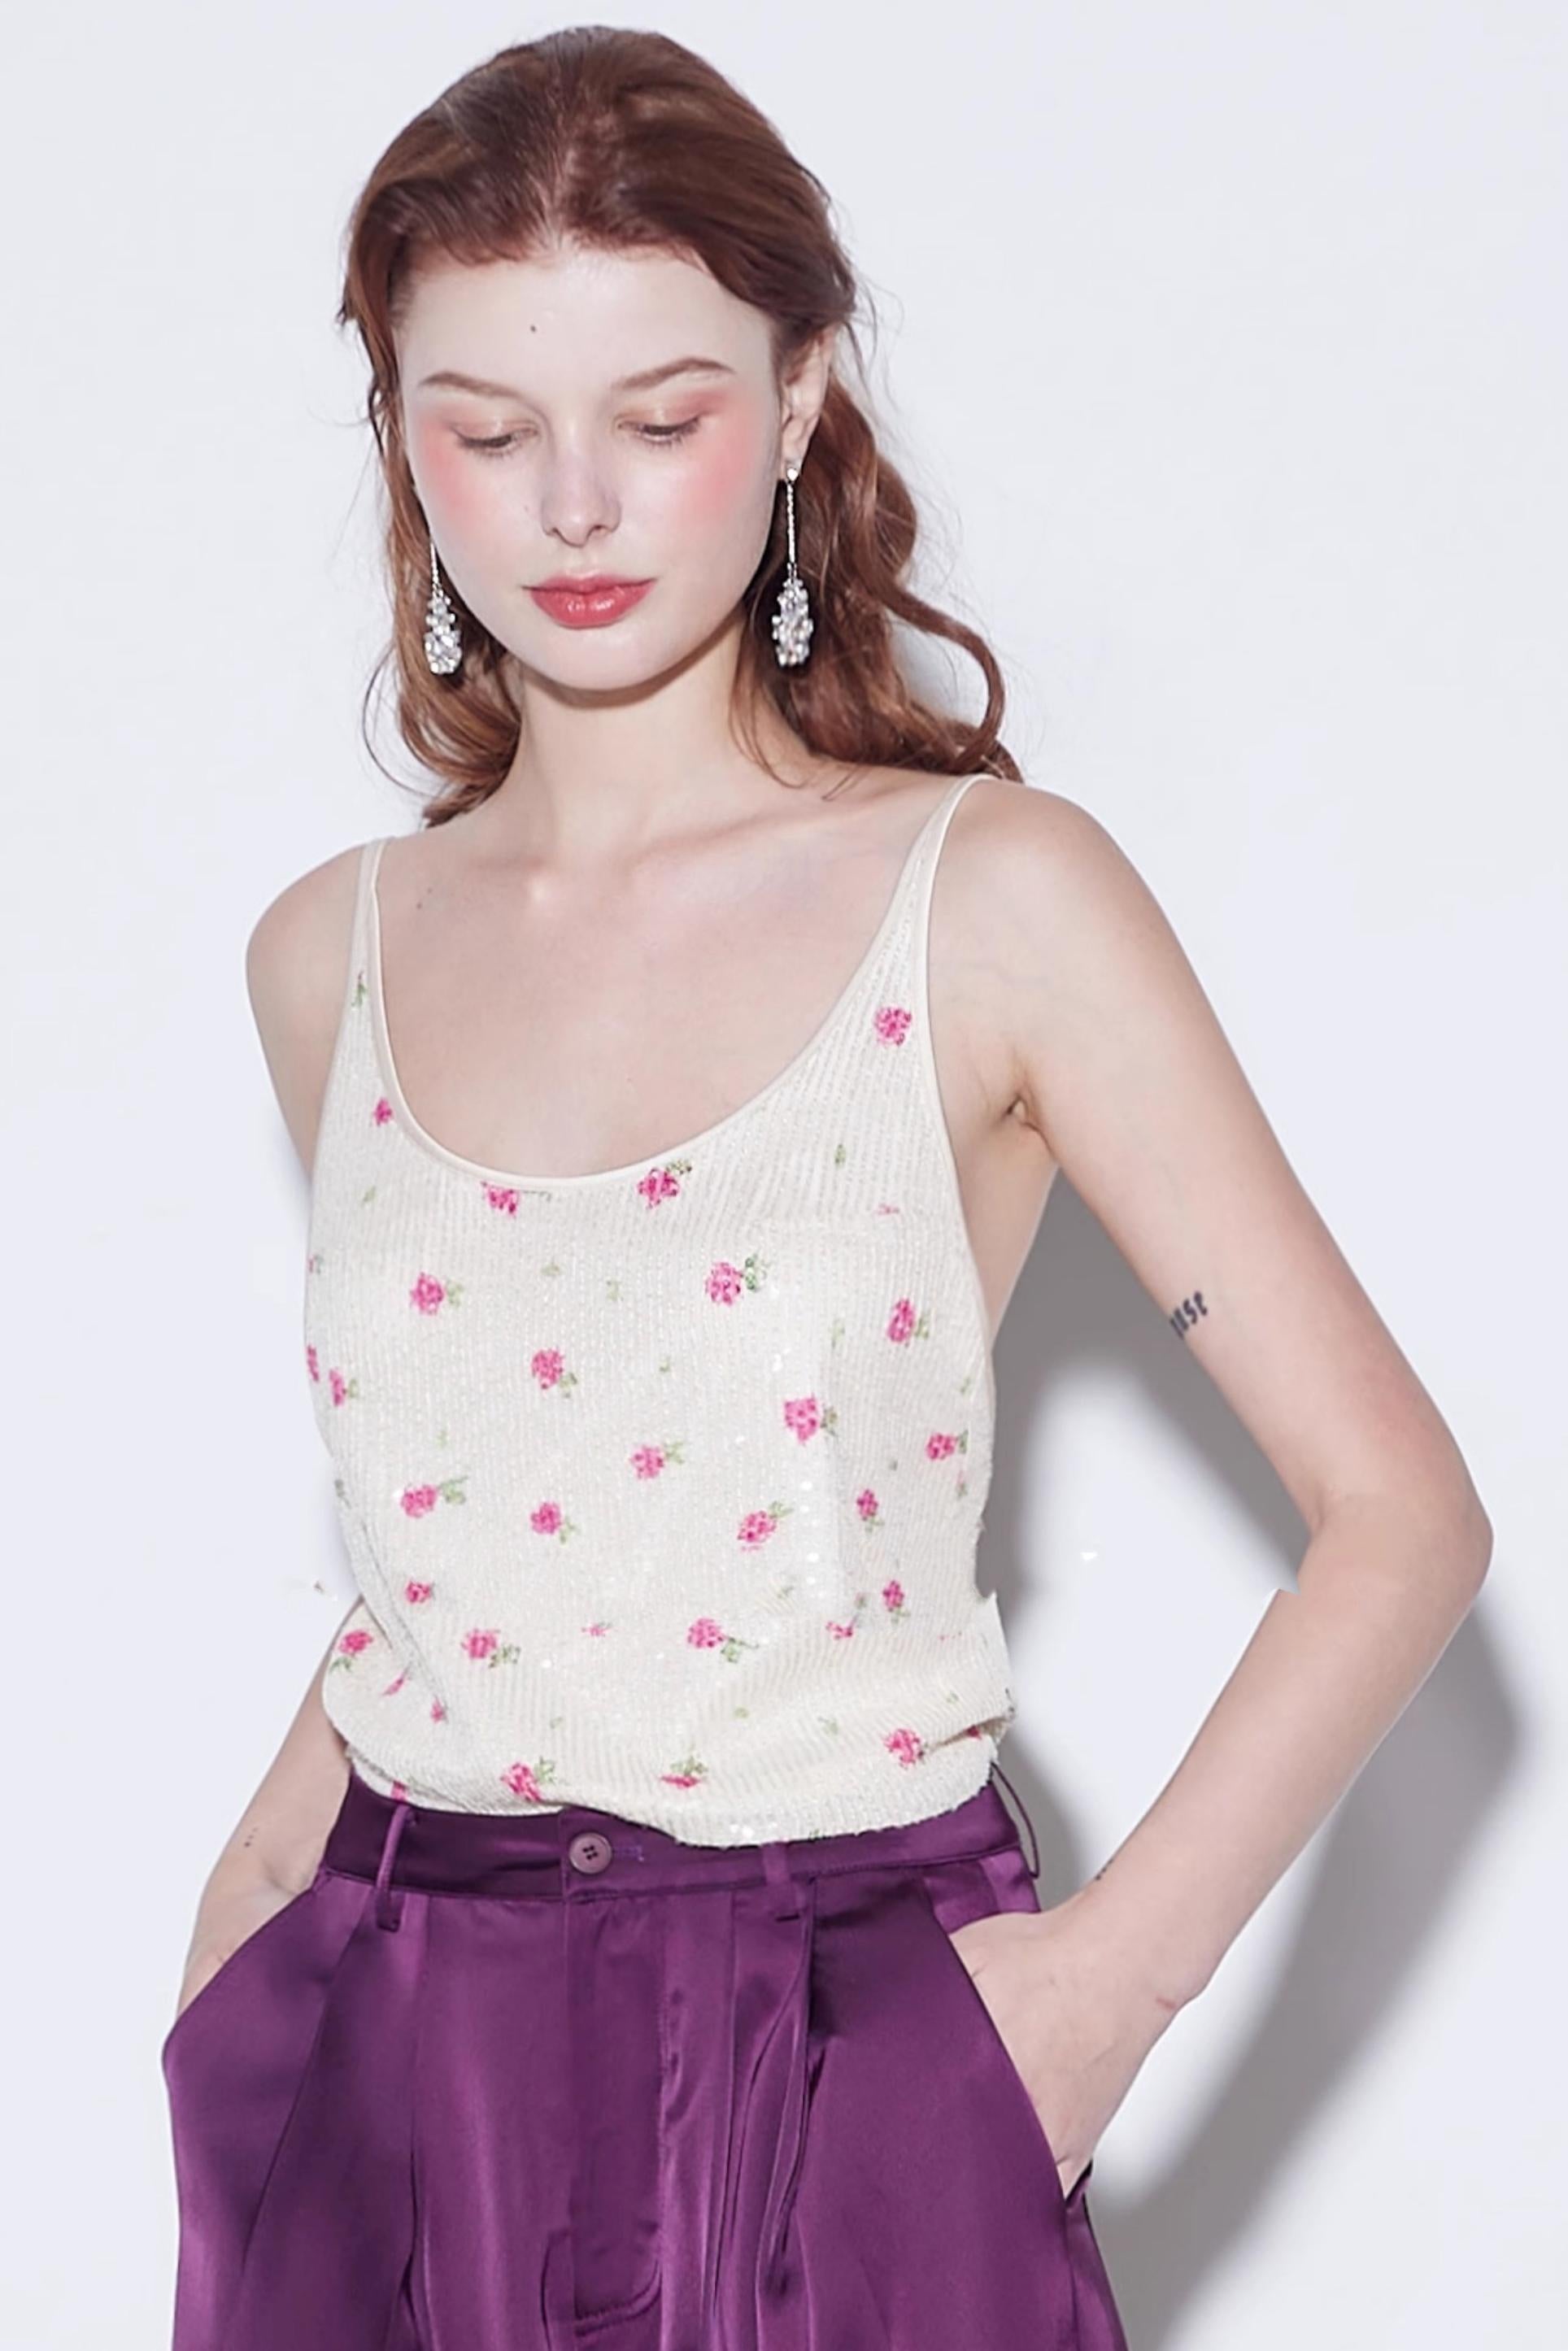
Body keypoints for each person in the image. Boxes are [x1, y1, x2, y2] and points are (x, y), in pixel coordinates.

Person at [158, 27, 1492, 2351]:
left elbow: (1402, 1516)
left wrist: (1093, 2001)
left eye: (659, 416)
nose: (576, 506)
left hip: (839, 2035)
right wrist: (247, 1927)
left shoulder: (996, 903)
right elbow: (472, 1520)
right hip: (382, 2034)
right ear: (401, 436)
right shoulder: (327, 959)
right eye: (489, 428)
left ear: (796, 399)